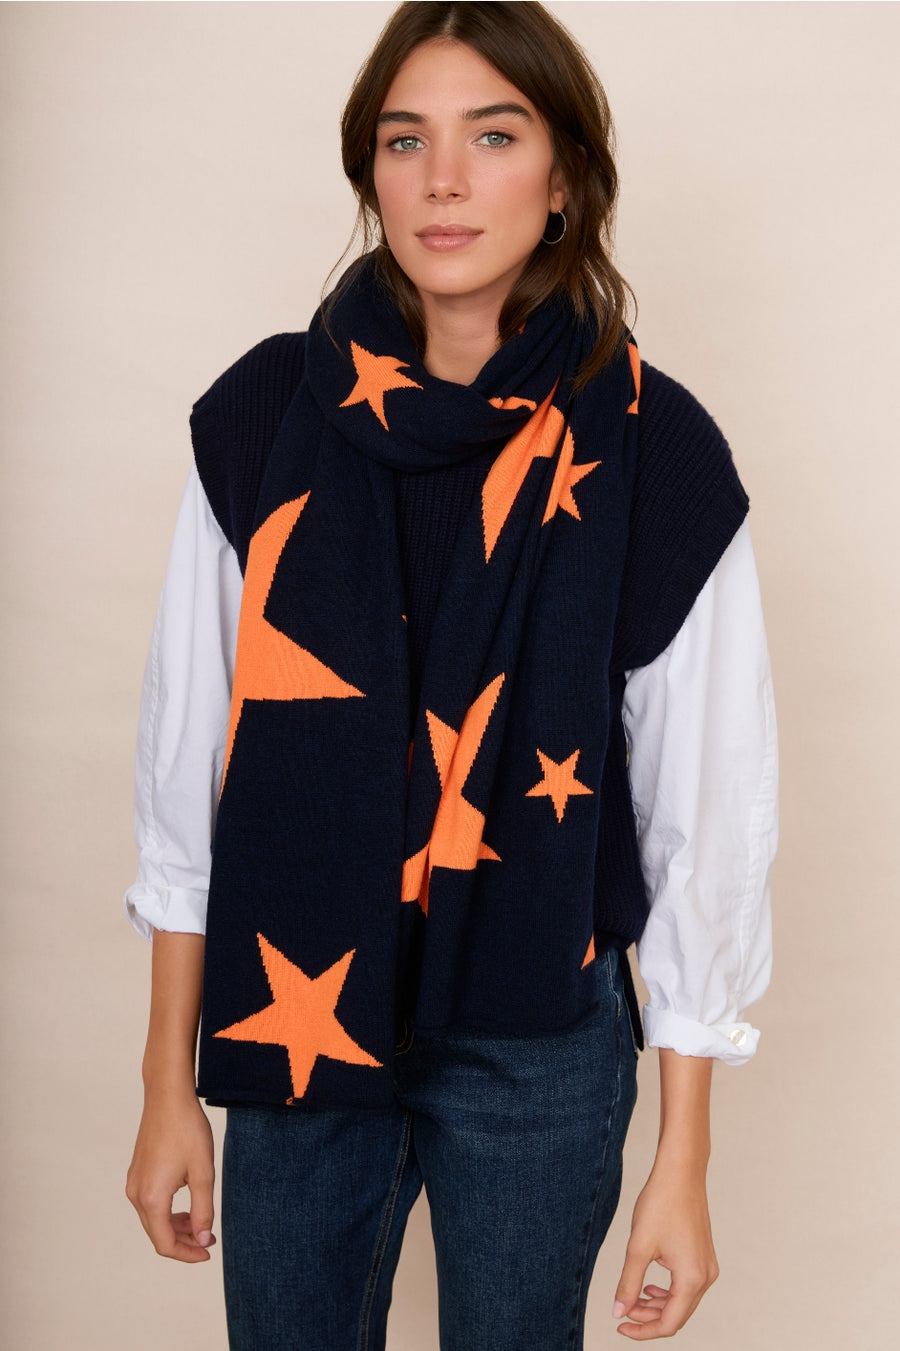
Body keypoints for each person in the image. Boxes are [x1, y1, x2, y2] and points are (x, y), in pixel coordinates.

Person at [124, 3, 777, 1348]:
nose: (443, 180)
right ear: (370, 172)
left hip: (537, 1029)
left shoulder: (653, 449)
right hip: (299, 1010)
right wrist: (166, 1084)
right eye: (405, 139)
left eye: (493, 136)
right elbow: (189, 769)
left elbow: (703, 813)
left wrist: (684, 1160)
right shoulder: (264, 416)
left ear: (565, 177)